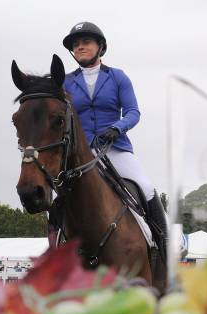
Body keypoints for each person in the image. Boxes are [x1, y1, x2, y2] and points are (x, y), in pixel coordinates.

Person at [62, 21, 167, 263]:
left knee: (146, 187)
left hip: (115, 148)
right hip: (80, 153)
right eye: (76, 45)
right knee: (59, 195)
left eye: (85, 42)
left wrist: (116, 128)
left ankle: (164, 244)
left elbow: (133, 112)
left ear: (100, 47)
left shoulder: (118, 77)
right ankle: (55, 247)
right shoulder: (66, 82)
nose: (80, 47)